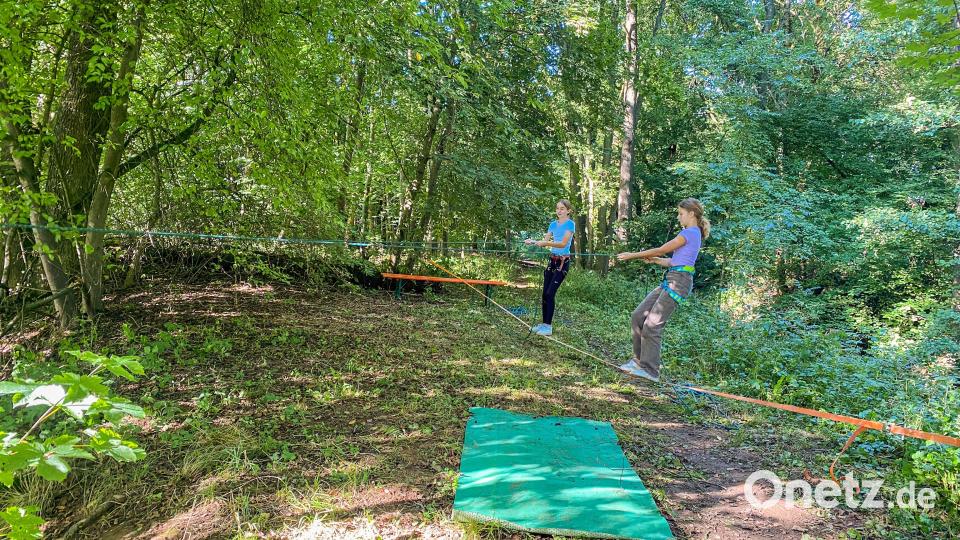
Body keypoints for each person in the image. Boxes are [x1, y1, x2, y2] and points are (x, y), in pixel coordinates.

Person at [615, 198, 710, 382]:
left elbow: (660, 249)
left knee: (652, 325)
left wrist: (632, 256)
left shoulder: (690, 233)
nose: (678, 217)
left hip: (680, 282)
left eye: (681, 213)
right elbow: (674, 261)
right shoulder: (690, 233)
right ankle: (639, 361)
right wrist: (657, 261)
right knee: (638, 316)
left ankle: (651, 370)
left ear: (691, 214)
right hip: (672, 278)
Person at [524, 200, 576, 337]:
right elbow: (545, 240)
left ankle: (548, 327)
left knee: (550, 293)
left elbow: (563, 243)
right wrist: (533, 241)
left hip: (562, 263)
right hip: (552, 261)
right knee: (544, 294)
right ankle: (543, 323)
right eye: (557, 208)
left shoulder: (570, 224)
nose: (559, 211)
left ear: (568, 210)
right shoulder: (553, 224)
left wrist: (545, 243)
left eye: (562, 209)